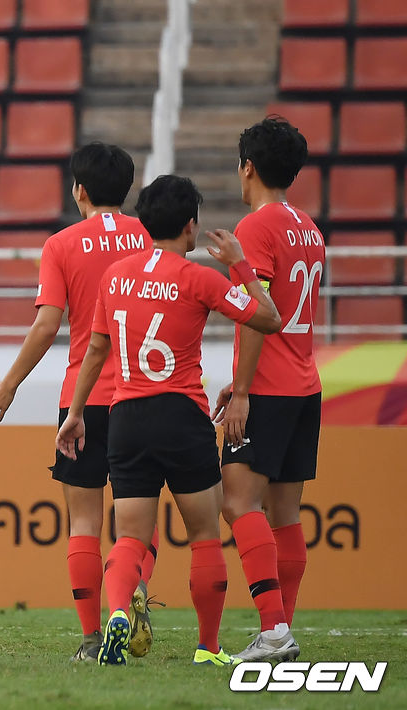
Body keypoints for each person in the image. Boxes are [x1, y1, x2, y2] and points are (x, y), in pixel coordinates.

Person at [56, 175, 281, 666]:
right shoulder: (199, 277)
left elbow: (96, 350)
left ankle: (117, 614)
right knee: (204, 534)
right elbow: (268, 318)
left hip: (126, 415)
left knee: (130, 536)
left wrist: (75, 414)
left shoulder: (115, 275)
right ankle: (208, 647)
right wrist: (240, 265)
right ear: (191, 227)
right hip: (182, 414)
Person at [0, 143, 161, 662]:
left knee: (83, 524)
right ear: (126, 189)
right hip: (144, 395)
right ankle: (131, 597)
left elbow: (46, 324)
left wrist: (10, 383)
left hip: (83, 399)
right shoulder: (151, 238)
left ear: (78, 189)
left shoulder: (61, 244)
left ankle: (89, 639)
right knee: (136, 528)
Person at [212, 117, 325, 662]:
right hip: (304, 385)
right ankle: (281, 630)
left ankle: (275, 631)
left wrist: (242, 393)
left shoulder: (254, 229)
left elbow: (259, 315)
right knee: (285, 515)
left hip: (270, 390)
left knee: (238, 503)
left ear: (248, 166)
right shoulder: (309, 226)